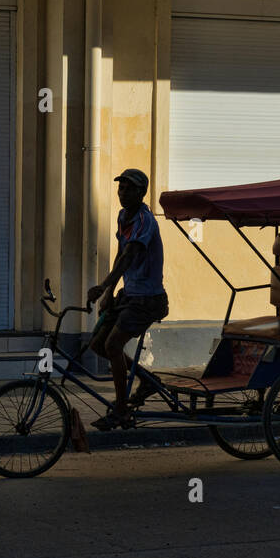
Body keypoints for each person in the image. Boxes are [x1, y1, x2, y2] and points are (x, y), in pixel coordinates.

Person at [87, 168, 170, 430]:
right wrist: (110, 293)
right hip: (129, 295)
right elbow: (120, 252)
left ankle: (121, 410)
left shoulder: (146, 220)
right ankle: (147, 381)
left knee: (113, 346)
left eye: (129, 189)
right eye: (120, 188)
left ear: (142, 193)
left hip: (147, 299)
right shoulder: (124, 216)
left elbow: (130, 255)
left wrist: (102, 285)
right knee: (98, 345)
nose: (122, 193)